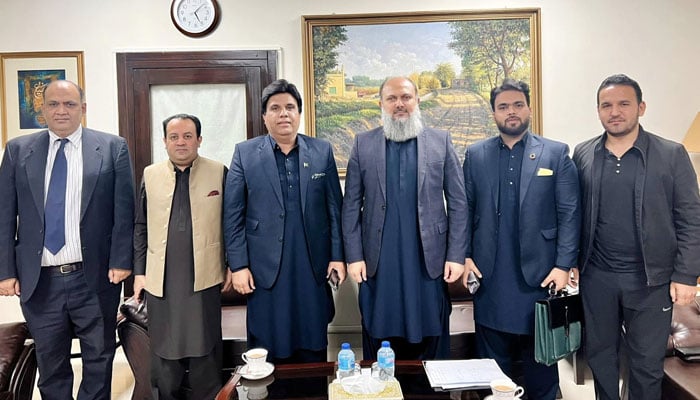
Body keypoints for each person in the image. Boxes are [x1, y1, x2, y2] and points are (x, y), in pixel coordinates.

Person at [0, 80, 135, 399]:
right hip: (39, 281)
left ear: (83, 109)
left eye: (70, 104)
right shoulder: (18, 151)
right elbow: (5, 214)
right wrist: (5, 270)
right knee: (50, 364)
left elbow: (124, 210)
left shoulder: (112, 147)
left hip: (94, 277)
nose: (62, 110)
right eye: (54, 104)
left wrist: (121, 260)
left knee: (99, 360)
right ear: (42, 109)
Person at [573, 74, 700, 400]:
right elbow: (574, 214)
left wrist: (686, 275)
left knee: (646, 365)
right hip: (597, 278)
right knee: (600, 358)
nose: (614, 111)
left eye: (623, 104)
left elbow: (691, 219)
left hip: (650, 281)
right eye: (606, 105)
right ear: (598, 111)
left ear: (640, 107)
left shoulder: (671, 154)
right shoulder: (583, 154)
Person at [462, 79, 580, 399]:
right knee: (493, 369)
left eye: (517, 104)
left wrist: (563, 264)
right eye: (503, 107)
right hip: (491, 274)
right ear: (494, 113)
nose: (511, 112)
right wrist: (465, 255)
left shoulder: (555, 153)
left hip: (541, 276)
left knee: (540, 366)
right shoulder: (475, 155)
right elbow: (464, 209)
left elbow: (569, 213)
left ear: (529, 108)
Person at [342, 76, 467, 360]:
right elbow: (350, 205)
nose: (400, 104)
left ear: (417, 101)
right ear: (381, 104)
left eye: (406, 98)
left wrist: (457, 255)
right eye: (392, 98)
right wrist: (354, 256)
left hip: (429, 261)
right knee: (378, 331)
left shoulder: (440, 141)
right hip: (378, 262)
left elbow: (459, 203)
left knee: (431, 335)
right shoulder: (363, 144)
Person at [224, 79, 344, 363]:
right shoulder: (245, 153)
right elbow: (232, 215)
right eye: (275, 108)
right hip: (264, 268)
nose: (284, 114)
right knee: (267, 345)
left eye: (290, 107)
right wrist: (238, 265)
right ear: (264, 116)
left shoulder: (321, 151)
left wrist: (338, 257)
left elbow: (334, 210)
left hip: (311, 265)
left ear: (299, 113)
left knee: (313, 339)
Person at [133, 114, 229, 398]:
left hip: (205, 274)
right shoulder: (150, 175)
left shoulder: (219, 171)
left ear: (199, 139)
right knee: (164, 348)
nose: (181, 142)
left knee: (206, 345)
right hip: (160, 276)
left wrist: (234, 265)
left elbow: (231, 223)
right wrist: (140, 274)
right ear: (164, 141)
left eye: (188, 136)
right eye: (174, 137)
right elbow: (140, 227)